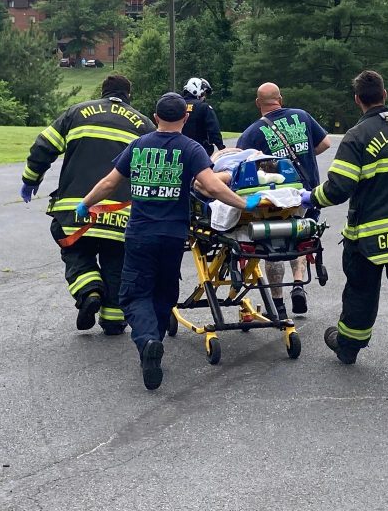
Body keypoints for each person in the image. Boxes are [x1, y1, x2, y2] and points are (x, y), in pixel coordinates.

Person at [78, 92, 266, 390]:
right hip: (173, 235)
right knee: (164, 292)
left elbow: (110, 182)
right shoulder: (190, 148)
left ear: (155, 118)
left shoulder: (138, 146)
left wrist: (86, 204)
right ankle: (155, 338)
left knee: (134, 294)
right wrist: (245, 205)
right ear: (186, 118)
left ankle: (149, 340)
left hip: (140, 234)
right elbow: (212, 187)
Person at [304, 70, 388, 385]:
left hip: (369, 237)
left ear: (357, 100)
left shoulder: (357, 136)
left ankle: (348, 346)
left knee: (361, 293)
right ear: (385, 94)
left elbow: (338, 188)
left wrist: (310, 197)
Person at [19, 74, 155, 335]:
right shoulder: (143, 124)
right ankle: (114, 320)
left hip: (76, 210)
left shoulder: (77, 113)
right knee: (117, 261)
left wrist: (30, 178)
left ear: (103, 91)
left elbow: (44, 146)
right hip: (122, 212)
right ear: (129, 95)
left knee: (75, 250)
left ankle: (89, 290)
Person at [236, 82, 331, 318]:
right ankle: (298, 284)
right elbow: (325, 143)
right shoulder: (302, 116)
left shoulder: (252, 133)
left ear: (258, 103)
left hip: (273, 200)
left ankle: (278, 304)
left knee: (273, 245)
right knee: (300, 238)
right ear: (281, 98)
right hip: (306, 194)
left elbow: (243, 170)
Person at [181, 76, 225, 156]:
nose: (204, 97)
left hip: (178, 151)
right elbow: (214, 130)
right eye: (203, 93)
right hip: (198, 152)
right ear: (196, 90)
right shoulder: (204, 107)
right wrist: (221, 148)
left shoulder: (177, 105)